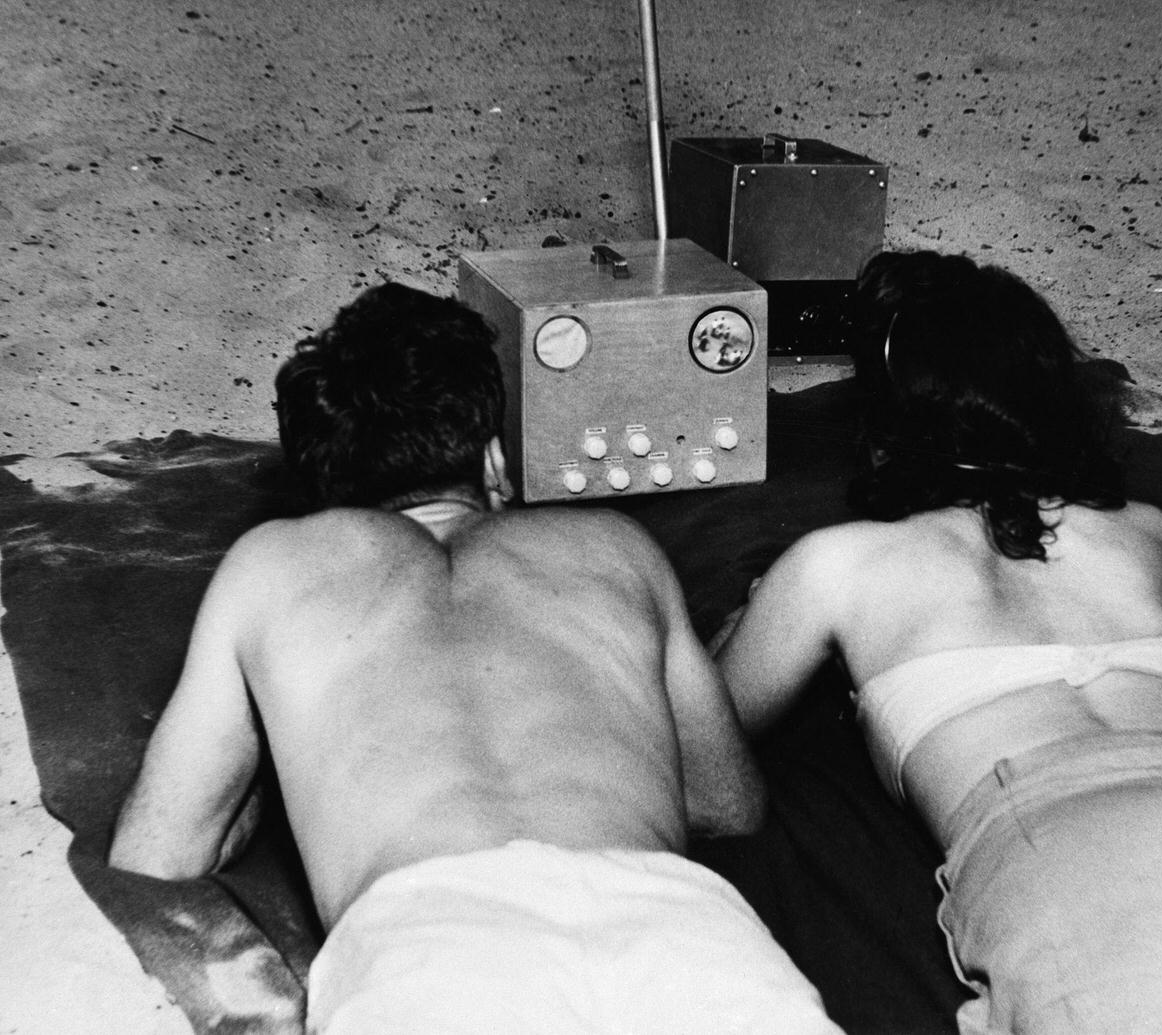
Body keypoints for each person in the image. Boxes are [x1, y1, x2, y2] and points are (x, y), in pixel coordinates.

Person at [109, 283, 842, 1034]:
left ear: (324, 488)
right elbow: (730, 804)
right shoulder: (616, 546)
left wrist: (279, 746)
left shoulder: (269, 567)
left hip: (434, 953)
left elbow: (159, 852)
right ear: (493, 461)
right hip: (681, 932)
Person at [714, 249, 1162, 1035]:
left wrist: (743, 617)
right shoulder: (1140, 533)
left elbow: (702, 733)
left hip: (1068, 848)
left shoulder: (839, 566)